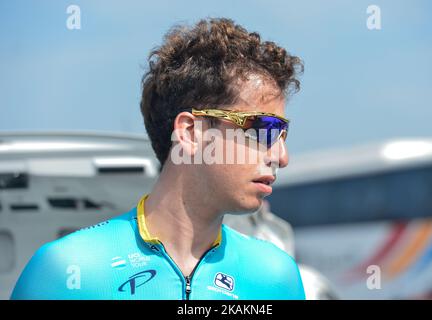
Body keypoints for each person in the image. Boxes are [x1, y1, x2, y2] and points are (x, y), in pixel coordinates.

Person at [11, 17, 305, 299]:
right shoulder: (65, 271)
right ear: (190, 132)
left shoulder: (275, 276)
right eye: (266, 129)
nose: (282, 156)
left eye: (283, 135)